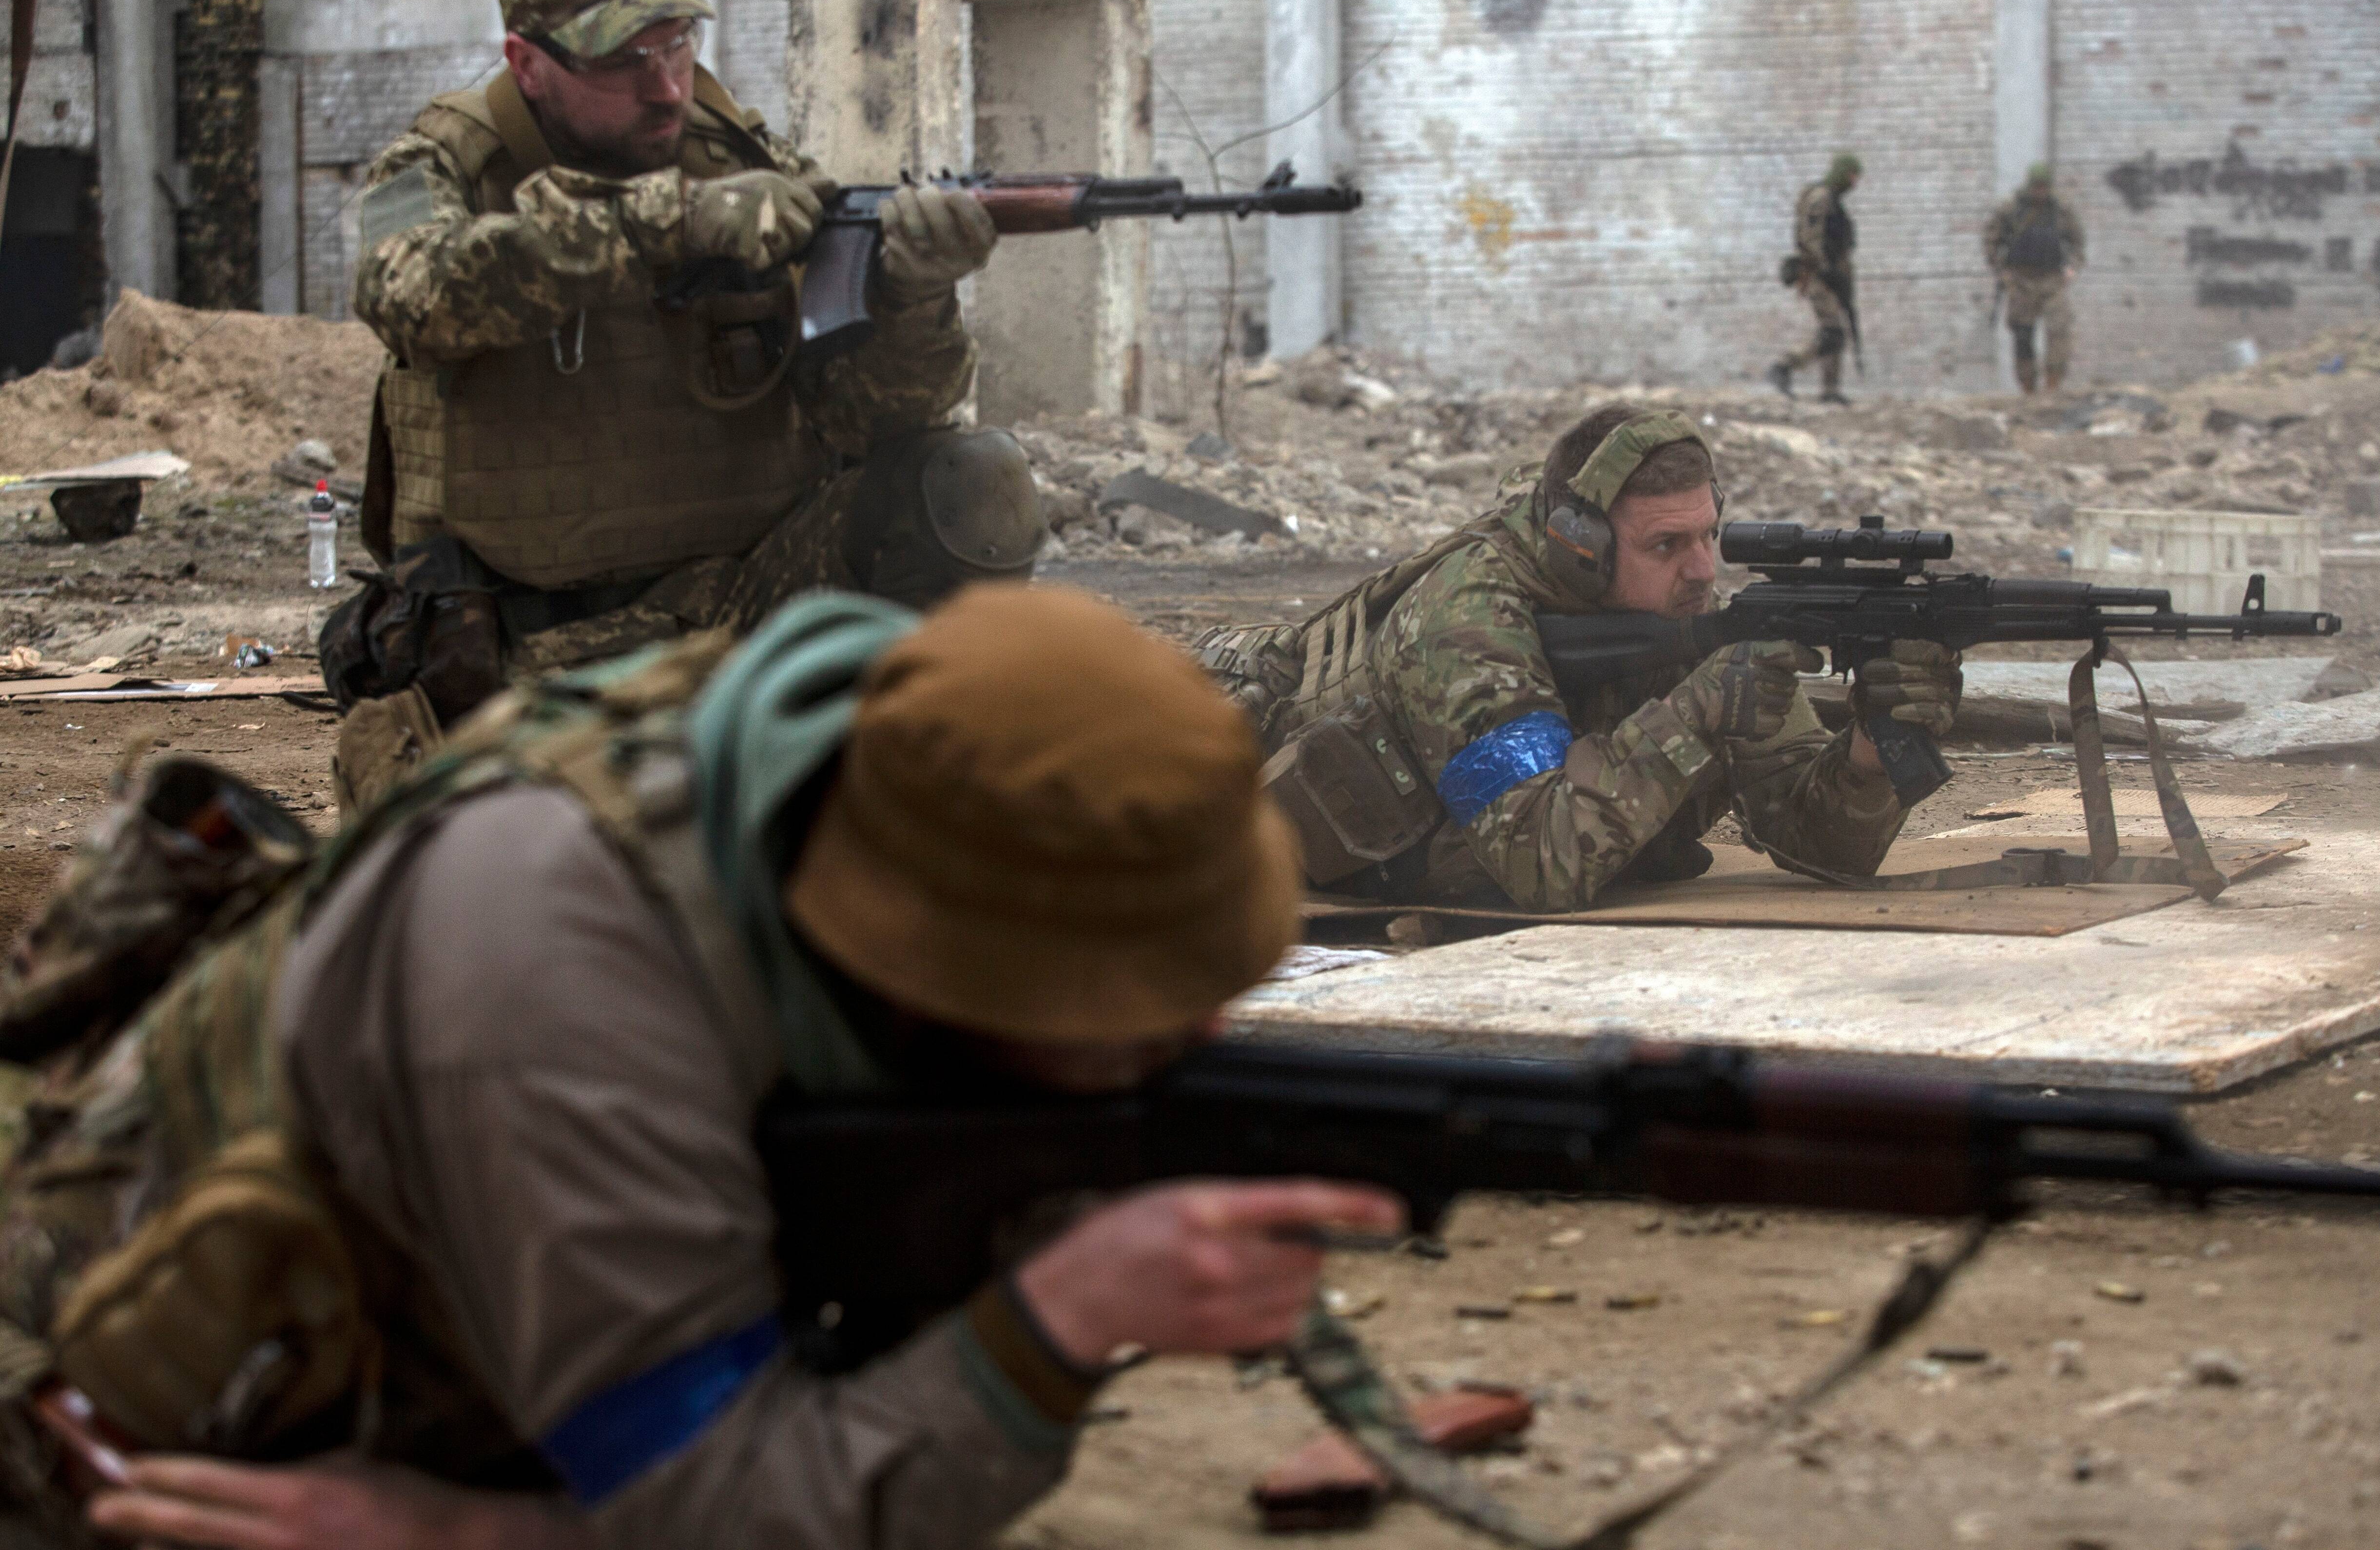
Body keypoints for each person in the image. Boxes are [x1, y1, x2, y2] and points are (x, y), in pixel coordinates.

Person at [0, 585, 1396, 1549]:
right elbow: (723, 1514)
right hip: (152, 1440)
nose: (1195, 1034)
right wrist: (1056, 1318)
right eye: (1138, 1005)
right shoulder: (560, 990)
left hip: (492, 1318)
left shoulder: (849, 760)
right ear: (940, 967)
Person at [326, 0, 1045, 808]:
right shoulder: (450, 162)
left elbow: (877, 417)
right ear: (528, 62)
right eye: (625, 59)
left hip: (741, 603)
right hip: (522, 643)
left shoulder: (741, 160)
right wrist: (664, 224)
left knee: (969, 479)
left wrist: (914, 294)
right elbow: (408, 291)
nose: (665, 86)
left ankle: (888, 787)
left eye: (676, 44)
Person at [1196, 405, 1963, 912]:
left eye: (1708, 535)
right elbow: (1542, 865)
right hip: (1208, 768)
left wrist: (1866, 755)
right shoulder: (1469, 623)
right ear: (1582, 547)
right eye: (1666, 545)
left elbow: (1820, 843)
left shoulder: (1680, 615)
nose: (1702, 571)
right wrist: (1693, 714)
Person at [1768, 152, 1862, 405]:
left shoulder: (1835, 202)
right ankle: (1784, 366)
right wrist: (1825, 268)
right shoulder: (1821, 198)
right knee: (1832, 332)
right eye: (1852, 176)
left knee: (1836, 331)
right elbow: (1810, 237)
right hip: (1817, 276)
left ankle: (1830, 389)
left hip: (1832, 276)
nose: (1854, 183)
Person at [1983, 162, 2086, 395]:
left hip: (2052, 280)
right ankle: (2028, 389)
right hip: (2021, 282)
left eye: (2044, 188)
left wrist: (2072, 267)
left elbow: (2077, 242)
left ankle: (2053, 385)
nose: (2040, 193)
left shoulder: (2060, 210)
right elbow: (1991, 240)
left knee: (2059, 330)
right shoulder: (2011, 210)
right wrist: (2002, 272)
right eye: (2036, 188)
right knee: (2023, 335)